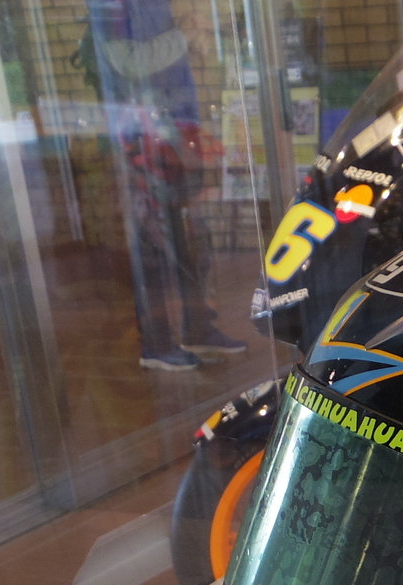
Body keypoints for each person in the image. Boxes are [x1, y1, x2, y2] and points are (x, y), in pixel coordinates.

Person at [86, 0, 246, 370]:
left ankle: (197, 326)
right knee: (153, 245)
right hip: (141, 138)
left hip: (177, 130)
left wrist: (198, 32)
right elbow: (128, 63)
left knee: (192, 239)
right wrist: (184, 34)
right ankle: (156, 344)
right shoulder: (110, 6)